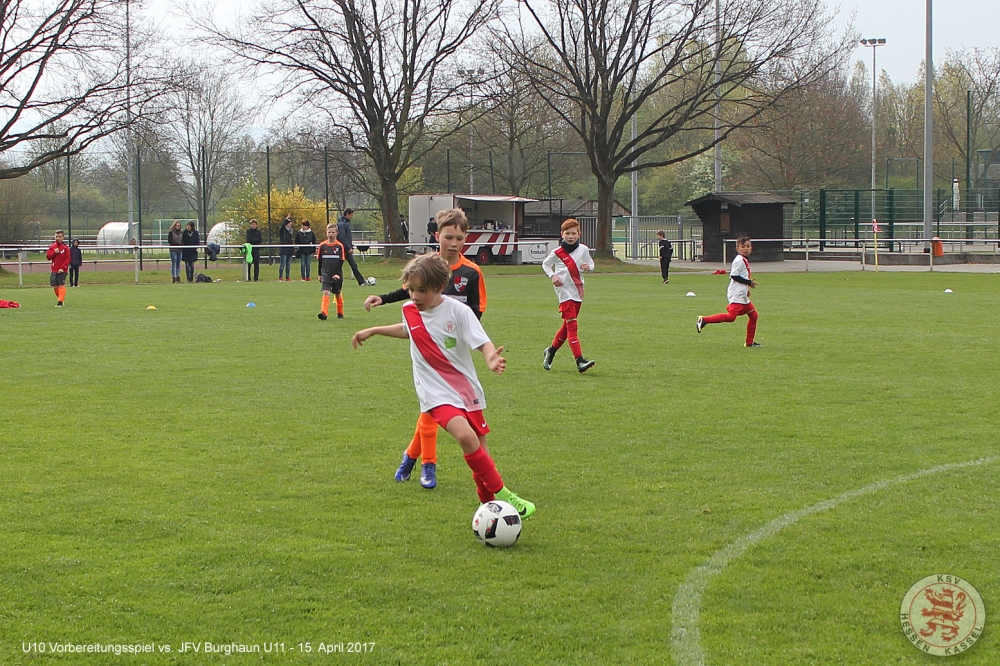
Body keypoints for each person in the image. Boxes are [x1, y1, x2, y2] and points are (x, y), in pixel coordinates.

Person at [351, 253, 535, 518]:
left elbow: (482, 341)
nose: (414, 296)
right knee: (465, 436)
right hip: (434, 392)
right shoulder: (409, 309)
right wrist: (373, 330)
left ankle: (488, 507)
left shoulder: (458, 311)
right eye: (411, 290)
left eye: (421, 291)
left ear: (439, 287)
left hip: (465, 389)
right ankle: (505, 495)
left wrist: (491, 358)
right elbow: (409, 329)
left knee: (481, 453)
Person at [364, 208, 487, 490]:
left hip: (453, 354)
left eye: (459, 238)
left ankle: (410, 458)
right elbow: (408, 289)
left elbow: (476, 310)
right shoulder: (425, 265)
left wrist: (466, 337)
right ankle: (428, 467)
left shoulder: (471, 272)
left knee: (432, 411)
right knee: (431, 408)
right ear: (437, 236)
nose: (453, 243)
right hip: (426, 351)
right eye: (448, 237)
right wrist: (383, 298)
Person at [542, 218, 596, 373]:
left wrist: (589, 267)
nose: (570, 236)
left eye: (573, 233)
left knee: (567, 327)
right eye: (567, 233)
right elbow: (545, 264)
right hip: (563, 291)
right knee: (572, 326)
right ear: (562, 234)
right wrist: (553, 276)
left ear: (579, 234)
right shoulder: (557, 252)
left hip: (577, 290)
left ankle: (551, 351)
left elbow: (591, 264)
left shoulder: (583, 249)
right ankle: (580, 360)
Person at [696, 235, 760, 347]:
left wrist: (746, 289)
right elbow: (734, 276)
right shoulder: (739, 260)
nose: (746, 248)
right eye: (743, 246)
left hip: (741, 294)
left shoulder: (743, 260)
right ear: (737, 249)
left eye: (748, 246)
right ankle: (704, 320)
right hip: (737, 294)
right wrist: (748, 282)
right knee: (731, 317)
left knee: (753, 316)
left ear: (751, 248)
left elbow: (740, 276)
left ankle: (749, 342)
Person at [316, 223, 346, 320]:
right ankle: (324, 313)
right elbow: (320, 261)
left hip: (336, 273)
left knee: (337, 293)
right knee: (326, 292)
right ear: (326, 233)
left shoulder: (339, 246)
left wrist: (337, 274)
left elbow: (341, 261)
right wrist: (320, 274)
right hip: (326, 273)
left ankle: (340, 312)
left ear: (337, 233)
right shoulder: (322, 246)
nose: (331, 234)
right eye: (329, 232)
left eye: (333, 232)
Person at [337, 208, 367, 286]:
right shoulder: (342, 224)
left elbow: (347, 238)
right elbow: (342, 238)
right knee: (338, 266)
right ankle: (335, 281)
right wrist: (348, 248)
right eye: (351, 214)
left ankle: (361, 281)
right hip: (343, 250)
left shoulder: (345, 223)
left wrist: (350, 246)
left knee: (353, 265)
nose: (352, 216)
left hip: (346, 249)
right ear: (347, 214)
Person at [46, 229, 70, 307]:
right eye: (56, 236)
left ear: (63, 238)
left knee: (61, 285)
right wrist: (54, 252)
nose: (58, 238)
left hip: (62, 270)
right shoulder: (52, 247)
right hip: (54, 269)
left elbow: (68, 259)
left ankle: (60, 302)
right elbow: (48, 257)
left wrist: (62, 268)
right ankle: (61, 298)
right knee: (55, 287)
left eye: (59, 237)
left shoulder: (65, 248)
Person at [278, 215, 295, 281]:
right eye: (289, 223)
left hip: (289, 249)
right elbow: (282, 226)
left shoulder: (290, 231)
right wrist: (286, 218)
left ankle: (287, 277)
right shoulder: (282, 230)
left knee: (288, 264)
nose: (291, 225)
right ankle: (280, 277)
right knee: (283, 264)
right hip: (284, 249)